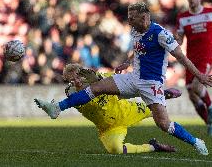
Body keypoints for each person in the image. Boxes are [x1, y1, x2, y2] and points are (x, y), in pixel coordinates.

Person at [35, 1, 212, 156]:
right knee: (96, 88)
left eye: (132, 17)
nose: (129, 20)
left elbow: (181, 57)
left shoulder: (161, 34)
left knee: (163, 124)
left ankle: (196, 141)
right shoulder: (135, 31)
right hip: (132, 77)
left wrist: (199, 75)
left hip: (151, 83)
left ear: (144, 17)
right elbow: (138, 50)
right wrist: (127, 62)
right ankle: (56, 108)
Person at [42, 63, 180, 154]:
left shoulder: (103, 79)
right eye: (71, 81)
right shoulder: (72, 95)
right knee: (116, 149)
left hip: (127, 111)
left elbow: (128, 84)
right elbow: (73, 96)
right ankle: (153, 147)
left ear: (84, 73)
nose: (76, 81)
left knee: (155, 110)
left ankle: (164, 95)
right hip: (109, 128)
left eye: (78, 77)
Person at [176, 0, 212, 136]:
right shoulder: (182, 18)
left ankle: (211, 104)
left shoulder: (211, 13)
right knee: (191, 94)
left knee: (195, 86)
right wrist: (176, 40)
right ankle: (210, 124)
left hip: (207, 54)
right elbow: (180, 38)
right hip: (190, 58)